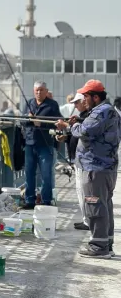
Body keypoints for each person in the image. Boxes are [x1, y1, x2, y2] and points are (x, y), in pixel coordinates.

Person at [60, 80, 120, 258]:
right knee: (104, 205)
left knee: (94, 205)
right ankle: (106, 243)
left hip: (95, 167)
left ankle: (98, 247)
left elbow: (84, 132)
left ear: (95, 97)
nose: (83, 100)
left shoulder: (101, 112)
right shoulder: (110, 111)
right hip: (105, 167)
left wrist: (70, 126)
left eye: (85, 96)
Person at [22, 81, 62, 209]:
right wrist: (28, 119)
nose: (39, 92)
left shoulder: (52, 105)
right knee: (29, 173)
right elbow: (22, 121)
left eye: (41, 90)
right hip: (29, 144)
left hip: (45, 144)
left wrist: (41, 124)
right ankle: (29, 200)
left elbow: (57, 122)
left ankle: (46, 200)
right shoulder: (29, 103)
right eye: (37, 90)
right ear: (34, 91)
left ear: (46, 91)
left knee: (46, 174)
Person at [55, 92, 89, 230]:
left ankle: (89, 221)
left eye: (76, 102)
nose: (74, 105)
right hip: (77, 159)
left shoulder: (89, 117)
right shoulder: (81, 117)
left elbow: (84, 133)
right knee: (80, 190)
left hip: (84, 160)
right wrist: (65, 137)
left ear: (84, 102)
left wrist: (66, 127)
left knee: (84, 191)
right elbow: (75, 134)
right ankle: (86, 219)